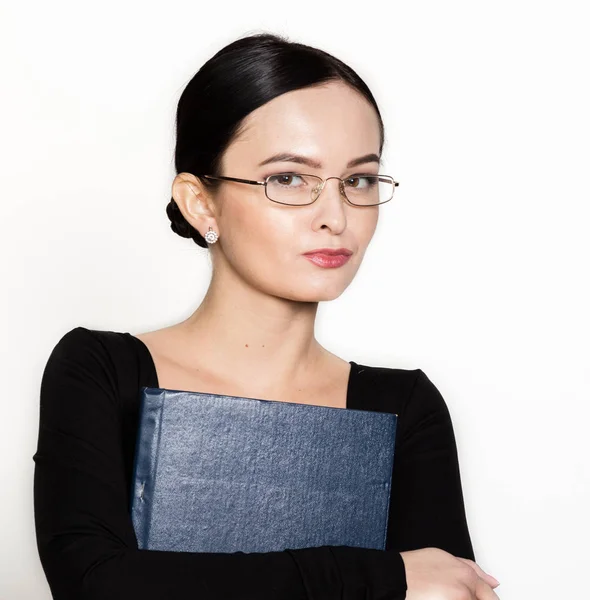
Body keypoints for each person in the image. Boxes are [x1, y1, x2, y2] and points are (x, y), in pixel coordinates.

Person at [33, 32, 501, 599]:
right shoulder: (102, 372)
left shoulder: (404, 408)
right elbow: (98, 586)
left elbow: (453, 593)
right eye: (288, 178)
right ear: (200, 201)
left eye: (358, 179)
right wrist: (387, 576)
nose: (335, 215)